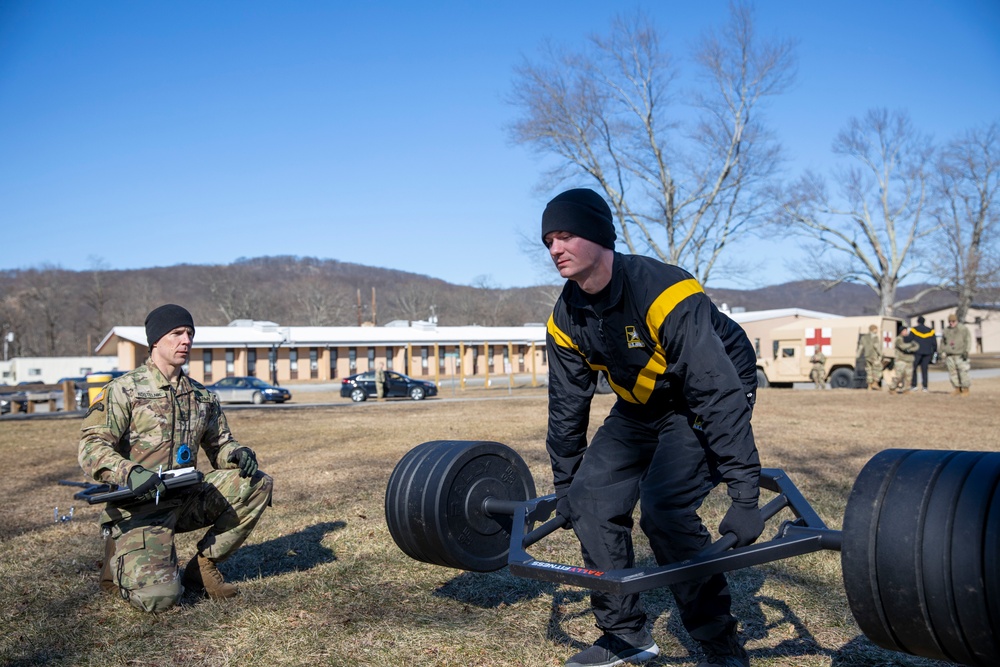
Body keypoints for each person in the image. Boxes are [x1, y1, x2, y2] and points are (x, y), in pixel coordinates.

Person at [541, 188, 762, 667]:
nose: (555, 248)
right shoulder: (565, 319)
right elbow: (567, 407)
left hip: (712, 386)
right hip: (643, 403)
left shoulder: (665, 292)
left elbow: (716, 391)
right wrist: (567, 486)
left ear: (599, 237)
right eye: (549, 241)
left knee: (664, 508)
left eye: (565, 236)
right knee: (589, 502)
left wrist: (745, 496)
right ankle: (625, 637)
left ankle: (720, 644)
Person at [79, 304, 273, 613]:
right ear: (155, 341)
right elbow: (91, 447)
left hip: (184, 498)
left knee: (257, 483)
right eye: (177, 333)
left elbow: (220, 445)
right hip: (140, 505)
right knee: (162, 598)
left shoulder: (201, 396)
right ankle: (119, 558)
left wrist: (237, 453)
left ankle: (204, 567)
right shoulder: (124, 390)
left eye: (190, 334)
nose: (186, 341)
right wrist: (130, 472)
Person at [940, 313, 972, 395]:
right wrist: (941, 351)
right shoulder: (946, 330)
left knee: (963, 371)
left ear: (956, 321)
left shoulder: (963, 329)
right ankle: (957, 388)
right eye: (950, 321)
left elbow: (968, 340)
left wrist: (966, 351)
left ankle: (965, 388)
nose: (951, 323)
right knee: (952, 372)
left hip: (960, 354)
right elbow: (943, 342)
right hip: (949, 355)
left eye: (953, 321)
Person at [909, 316, 936, 392]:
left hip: (917, 352)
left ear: (918, 322)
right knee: (925, 370)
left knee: (914, 369)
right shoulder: (930, 331)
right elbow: (934, 343)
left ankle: (914, 385)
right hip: (927, 353)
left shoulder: (914, 330)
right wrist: (934, 352)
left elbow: (909, 339)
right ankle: (925, 386)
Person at [889, 327, 919, 395]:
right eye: (904, 330)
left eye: (906, 330)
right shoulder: (898, 339)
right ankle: (892, 388)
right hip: (900, 360)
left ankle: (906, 389)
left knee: (908, 376)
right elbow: (902, 346)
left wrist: (910, 349)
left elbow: (917, 346)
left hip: (909, 359)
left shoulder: (910, 339)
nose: (906, 332)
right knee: (899, 376)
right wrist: (911, 345)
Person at [856, 324, 882, 391]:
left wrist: (857, 356)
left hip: (866, 356)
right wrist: (881, 354)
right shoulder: (875, 337)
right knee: (877, 369)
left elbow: (860, 348)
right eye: (876, 329)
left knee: (869, 371)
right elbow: (876, 347)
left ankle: (869, 386)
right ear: (873, 329)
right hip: (874, 356)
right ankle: (875, 383)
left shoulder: (863, 338)